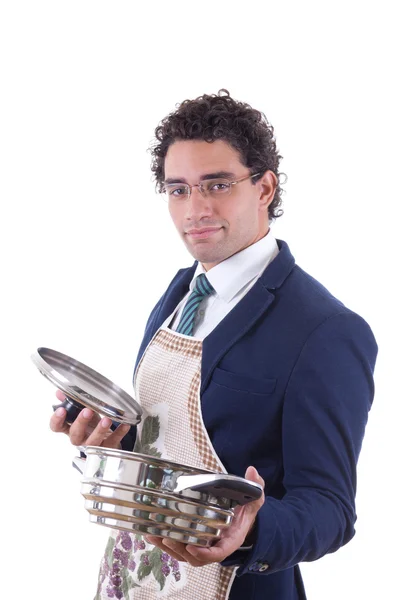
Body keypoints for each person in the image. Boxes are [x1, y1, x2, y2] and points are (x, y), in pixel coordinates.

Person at [50, 89, 378, 600]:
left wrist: (247, 531)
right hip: (137, 578)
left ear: (265, 187)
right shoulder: (181, 292)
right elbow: (170, 444)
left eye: (217, 185)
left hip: (234, 586)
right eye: (178, 189)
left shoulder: (325, 330)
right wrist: (113, 439)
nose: (195, 209)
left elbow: (331, 509)